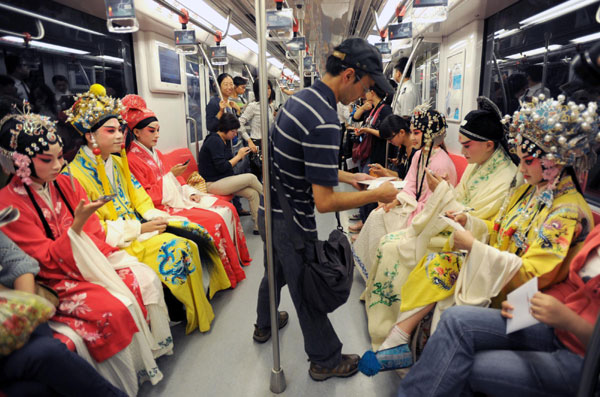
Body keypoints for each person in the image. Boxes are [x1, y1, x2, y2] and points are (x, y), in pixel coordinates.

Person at [368, 95, 596, 375]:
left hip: (525, 295)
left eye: (528, 162)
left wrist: (475, 247)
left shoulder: (568, 212)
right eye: (520, 160)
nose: (521, 169)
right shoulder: (529, 189)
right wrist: (470, 221)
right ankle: (401, 337)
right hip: (499, 266)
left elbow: (535, 275)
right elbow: (498, 229)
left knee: (441, 268)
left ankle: (407, 344)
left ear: (556, 161)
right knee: (435, 261)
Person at [0, 104, 172, 395]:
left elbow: (96, 228)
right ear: (20, 162)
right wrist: (77, 228)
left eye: (59, 157)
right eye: (47, 159)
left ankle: (146, 361)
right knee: (115, 310)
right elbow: (42, 258)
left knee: (144, 277)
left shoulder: (66, 181)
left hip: (88, 256)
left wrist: (97, 237)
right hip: (52, 275)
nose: (58, 166)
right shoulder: (8, 204)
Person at [253, 37, 398, 381]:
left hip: (269, 208)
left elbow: (305, 164)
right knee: (306, 288)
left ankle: (265, 324)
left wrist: (350, 176)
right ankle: (325, 359)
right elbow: (325, 202)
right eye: (365, 85)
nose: (364, 94)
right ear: (349, 75)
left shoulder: (300, 100)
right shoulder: (325, 119)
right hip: (292, 222)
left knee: (274, 274)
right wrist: (377, 195)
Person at [357, 98, 521, 367]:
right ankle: (387, 320)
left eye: (467, 146)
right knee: (385, 233)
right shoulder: (471, 163)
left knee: (399, 247)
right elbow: (448, 197)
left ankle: (394, 328)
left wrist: (442, 195)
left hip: (471, 239)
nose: (463, 152)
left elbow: (476, 218)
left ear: (489, 145)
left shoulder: (507, 177)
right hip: (450, 222)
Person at [66, 84, 230, 334]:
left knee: (193, 233)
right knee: (180, 248)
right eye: (111, 131)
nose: (120, 136)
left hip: (138, 224)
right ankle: (183, 310)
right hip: (116, 241)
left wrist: (156, 216)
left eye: (120, 130)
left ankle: (192, 306)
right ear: (90, 136)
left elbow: (139, 196)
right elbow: (94, 228)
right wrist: (141, 226)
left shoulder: (118, 163)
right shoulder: (75, 175)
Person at [397, 221, 600, 396]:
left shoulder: (568, 212)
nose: (521, 172)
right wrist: (525, 304)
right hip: (555, 328)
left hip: (583, 357)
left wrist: (569, 320)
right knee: (455, 319)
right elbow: (571, 286)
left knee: (468, 365)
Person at [122, 94, 251, 288]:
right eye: (152, 131)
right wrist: (170, 178)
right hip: (161, 205)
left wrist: (189, 191)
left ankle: (233, 265)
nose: (157, 135)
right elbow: (146, 195)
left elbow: (176, 179)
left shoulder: (155, 154)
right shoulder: (131, 160)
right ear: (137, 133)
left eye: (158, 130)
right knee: (215, 220)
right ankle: (223, 275)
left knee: (227, 208)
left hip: (176, 196)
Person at [0, 212, 128, 397]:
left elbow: (20, 263)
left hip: (14, 313)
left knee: (35, 388)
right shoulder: (11, 199)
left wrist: (25, 309)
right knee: (48, 354)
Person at [353, 103, 457, 275]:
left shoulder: (439, 164)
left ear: (430, 135)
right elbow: (409, 184)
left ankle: (379, 274)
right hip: (414, 206)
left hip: (426, 216)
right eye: (412, 132)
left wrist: (403, 206)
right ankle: (371, 271)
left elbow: (434, 205)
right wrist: (395, 202)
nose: (413, 137)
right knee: (377, 214)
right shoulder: (419, 154)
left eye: (417, 133)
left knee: (382, 228)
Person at [198, 113, 263, 235]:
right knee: (251, 177)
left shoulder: (224, 141)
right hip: (212, 184)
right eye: (233, 131)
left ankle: (258, 226)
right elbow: (223, 167)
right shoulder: (214, 141)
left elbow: (227, 165)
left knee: (252, 193)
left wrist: (239, 157)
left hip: (222, 180)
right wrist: (239, 156)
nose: (235, 134)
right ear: (225, 129)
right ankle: (271, 199)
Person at [348, 83, 394, 233]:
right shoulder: (372, 108)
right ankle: (364, 219)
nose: (365, 94)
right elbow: (355, 117)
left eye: (367, 91)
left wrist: (366, 129)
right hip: (367, 152)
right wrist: (362, 108)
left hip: (377, 152)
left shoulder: (385, 110)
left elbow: (385, 133)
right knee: (364, 187)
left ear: (372, 92)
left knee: (370, 189)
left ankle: (368, 225)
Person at [238, 78, 276, 179]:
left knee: (269, 176)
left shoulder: (270, 107)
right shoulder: (253, 106)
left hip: (268, 143)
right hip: (256, 145)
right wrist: (249, 141)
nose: (267, 91)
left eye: (268, 88)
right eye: (264, 88)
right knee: (258, 176)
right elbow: (239, 123)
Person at [367, 114, 415, 180]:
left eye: (390, 139)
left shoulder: (416, 151)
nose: (389, 142)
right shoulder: (403, 148)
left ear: (401, 132)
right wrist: (384, 170)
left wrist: (386, 174)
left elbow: (409, 181)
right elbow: (401, 174)